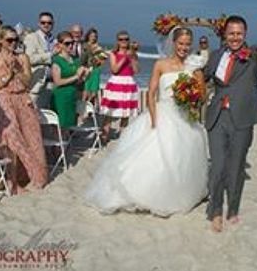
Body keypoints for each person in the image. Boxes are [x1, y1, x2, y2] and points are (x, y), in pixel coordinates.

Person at [83, 26, 210, 216]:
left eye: (187, 44)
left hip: (184, 118)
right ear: (174, 43)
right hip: (162, 114)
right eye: (181, 43)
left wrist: (193, 98)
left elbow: (202, 98)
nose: (184, 47)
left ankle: (173, 194)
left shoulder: (195, 68)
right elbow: (151, 93)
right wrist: (153, 118)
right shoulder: (161, 64)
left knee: (179, 159)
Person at [203, 13, 257, 232]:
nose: (235, 37)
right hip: (217, 116)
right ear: (225, 34)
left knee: (236, 167)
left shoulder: (255, 55)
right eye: (231, 33)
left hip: (242, 118)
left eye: (239, 34)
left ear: (245, 34)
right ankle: (216, 210)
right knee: (218, 167)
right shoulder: (216, 54)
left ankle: (234, 209)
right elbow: (203, 76)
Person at [0, 26, 48, 193]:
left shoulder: (23, 58)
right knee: (12, 141)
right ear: (0, 41)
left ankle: (30, 176)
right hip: (3, 100)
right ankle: (12, 182)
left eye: (16, 40)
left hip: (22, 99)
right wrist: (7, 78)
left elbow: (28, 81)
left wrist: (17, 72)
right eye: (9, 40)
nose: (13, 43)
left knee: (31, 138)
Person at [100, 31, 140, 137]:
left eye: (126, 39)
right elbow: (114, 69)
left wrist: (132, 58)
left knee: (125, 114)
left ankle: (122, 136)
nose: (124, 42)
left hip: (129, 83)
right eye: (121, 39)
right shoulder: (113, 54)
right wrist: (125, 57)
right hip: (116, 83)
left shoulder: (133, 54)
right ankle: (104, 135)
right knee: (110, 113)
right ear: (117, 41)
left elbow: (136, 70)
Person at [51, 32, 88, 131]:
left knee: (69, 126)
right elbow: (57, 82)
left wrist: (85, 76)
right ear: (60, 45)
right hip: (61, 97)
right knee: (60, 126)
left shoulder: (75, 60)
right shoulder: (57, 60)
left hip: (72, 96)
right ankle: (58, 146)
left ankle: (66, 145)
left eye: (72, 43)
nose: (70, 45)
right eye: (67, 43)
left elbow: (78, 81)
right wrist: (76, 76)